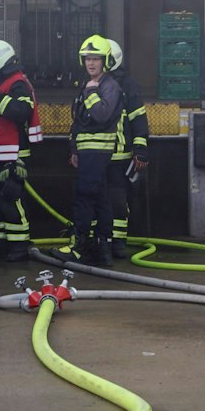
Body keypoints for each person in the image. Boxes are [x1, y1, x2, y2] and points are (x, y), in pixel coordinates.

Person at [57, 34, 126, 266]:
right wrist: (74, 149)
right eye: (88, 58)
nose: (91, 63)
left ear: (105, 61)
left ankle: (78, 248)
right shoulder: (89, 85)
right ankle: (102, 250)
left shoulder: (109, 86)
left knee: (84, 197)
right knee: (100, 199)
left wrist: (91, 93)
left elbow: (101, 114)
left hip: (98, 152)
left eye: (96, 58)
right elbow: (78, 121)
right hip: (86, 151)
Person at [0, 40, 41, 262]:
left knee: (11, 199)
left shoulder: (18, 83)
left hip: (11, 154)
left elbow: (21, 111)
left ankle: (19, 246)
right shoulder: (2, 81)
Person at [101, 38, 150, 259]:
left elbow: (138, 119)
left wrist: (140, 150)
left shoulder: (128, 85)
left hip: (119, 155)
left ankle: (118, 242)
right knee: (97, 198)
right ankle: (100, 240)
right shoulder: (94, 82)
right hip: (97, 154)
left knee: (118, 200)